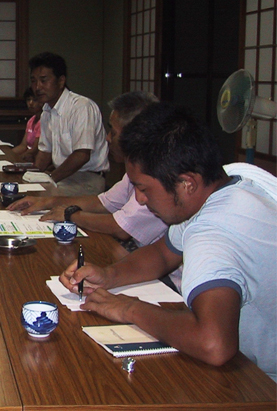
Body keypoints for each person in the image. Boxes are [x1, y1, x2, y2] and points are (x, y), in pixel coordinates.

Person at [59, 102, 276, 381]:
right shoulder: (236, 177)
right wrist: (109, 275)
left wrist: (129, 308)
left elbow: (214, 344)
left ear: (187, 183)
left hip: (265, 382)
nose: (139, 199)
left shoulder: (213, 232)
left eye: (144, 188)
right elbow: (164, 253)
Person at [8, 91, 166, 247]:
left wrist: (72, 215)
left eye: (113, 131)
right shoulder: (137, 169)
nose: (108, 138)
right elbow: (102, 203)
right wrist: (46, 202)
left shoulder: (159, 174)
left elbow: (121, 228)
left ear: (136, 134)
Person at [29, 52, 109, 195]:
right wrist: (29, 177)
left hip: (87, 180)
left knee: (39, 197)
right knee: (22, 191)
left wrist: (50, 179)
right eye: (34, 81)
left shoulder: (81, 107)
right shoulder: (47, 110)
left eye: (43, 80)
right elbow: (45, 153)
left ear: (61, 81)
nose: (37, 87)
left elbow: (82, 155)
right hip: (63, 177)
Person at [12, 87, 42, 162]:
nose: (31, 103)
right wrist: (8, 154)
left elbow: (35, 149)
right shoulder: (31, 120)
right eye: (28, 100)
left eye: (35, 100)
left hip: (37, 159)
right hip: (27, 157)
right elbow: (23, 146)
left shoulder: (44, 121)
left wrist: (19, 158)